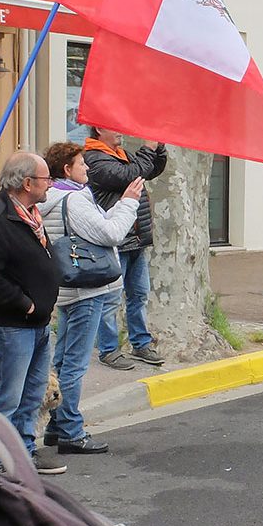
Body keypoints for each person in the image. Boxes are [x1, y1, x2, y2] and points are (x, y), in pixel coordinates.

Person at [38, 142, 142, 455]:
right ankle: (71, 430)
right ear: (67, 170)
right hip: (87, 289)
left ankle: (57, 427)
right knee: (75, 364)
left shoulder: (55, 198)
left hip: (69, 288)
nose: (87, 169)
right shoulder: (73, 199)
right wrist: (128, 203)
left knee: (63, 359)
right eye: (82, 164)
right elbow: (111, 234)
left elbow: (94, 230)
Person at [0, 152, 66, 475]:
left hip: (38, 324)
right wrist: (24, 303)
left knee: (31, 395)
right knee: (6, 397)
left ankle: (25, 452)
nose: (50, 185)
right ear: (27, 183)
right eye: (45, 179)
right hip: (13, 325)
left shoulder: (30, 214)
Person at [85, 127, 169, 371]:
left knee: (139, 294)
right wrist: (148, 148)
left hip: (135, 238)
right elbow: (131, 175)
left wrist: (159, 147)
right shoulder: (95, 159)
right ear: (99, 129)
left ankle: (141, 344)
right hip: (115, 241)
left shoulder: (120, 154)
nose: (121, 130)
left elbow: (151, 169)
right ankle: (109, 350)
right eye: (114, 126)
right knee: (110, 299)